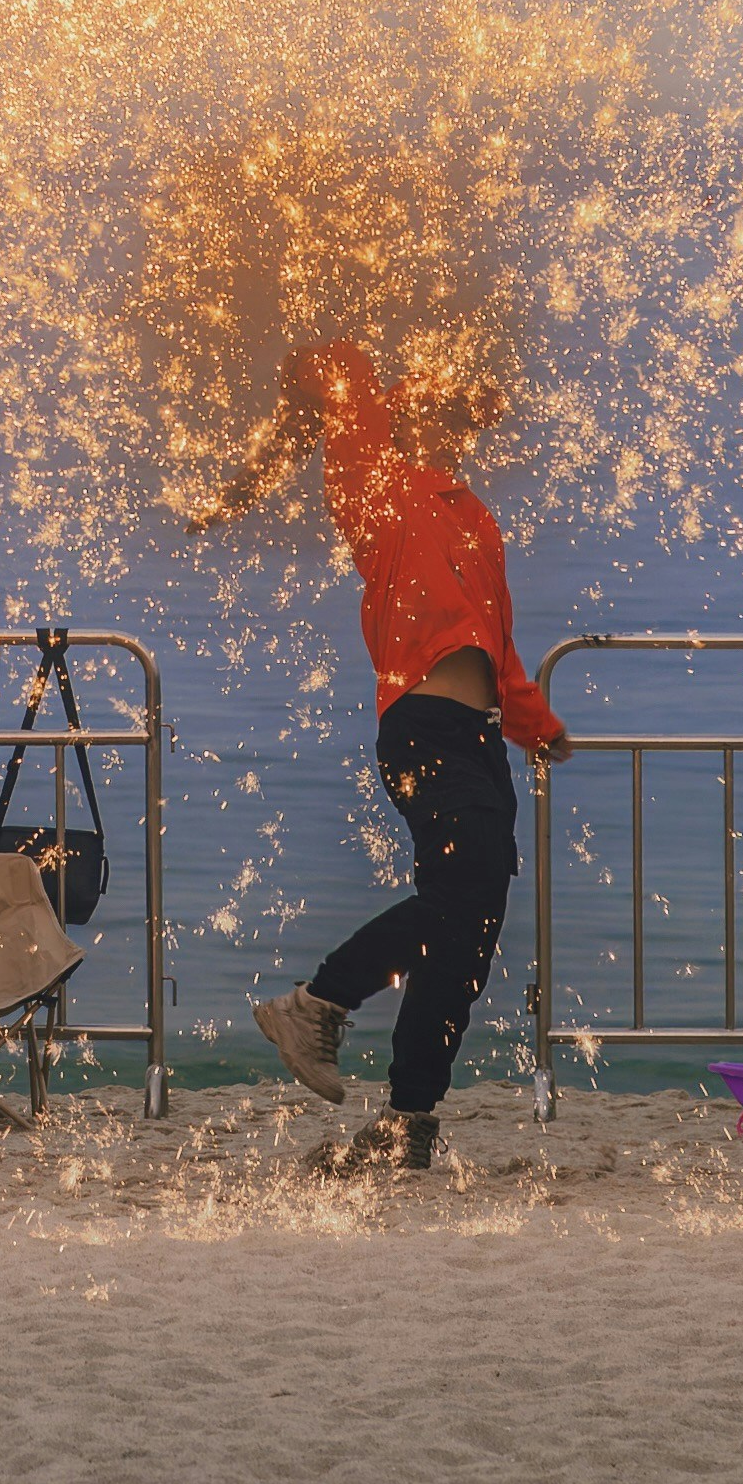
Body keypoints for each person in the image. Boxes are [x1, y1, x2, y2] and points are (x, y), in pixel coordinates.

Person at [188, 338, 568, 1174]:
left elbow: (499, 654)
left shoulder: (476, 518)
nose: (454, 424)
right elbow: (327, 361)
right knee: (461, 893)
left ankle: (407, 1125)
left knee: (467, 935)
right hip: (421, 730)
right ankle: (315, 1002)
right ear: (400, 409)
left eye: (464, 416)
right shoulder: (372, 478)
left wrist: (541, 729)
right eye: (436, 407)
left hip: (477, 742)